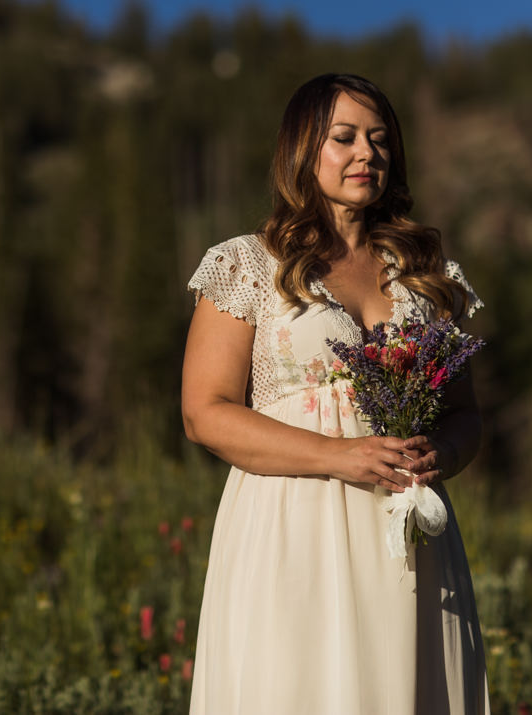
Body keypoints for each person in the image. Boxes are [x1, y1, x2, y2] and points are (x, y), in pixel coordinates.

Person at [181, 74, 489, 714]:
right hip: (294, 526)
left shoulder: (428, 278)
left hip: (407, 536)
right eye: (343, 138)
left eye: (379, 141)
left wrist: (441, 454)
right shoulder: (247, 264)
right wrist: (336, 454)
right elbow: (204, 413)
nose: (366, 154)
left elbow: (466, 417)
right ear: (302, 151)